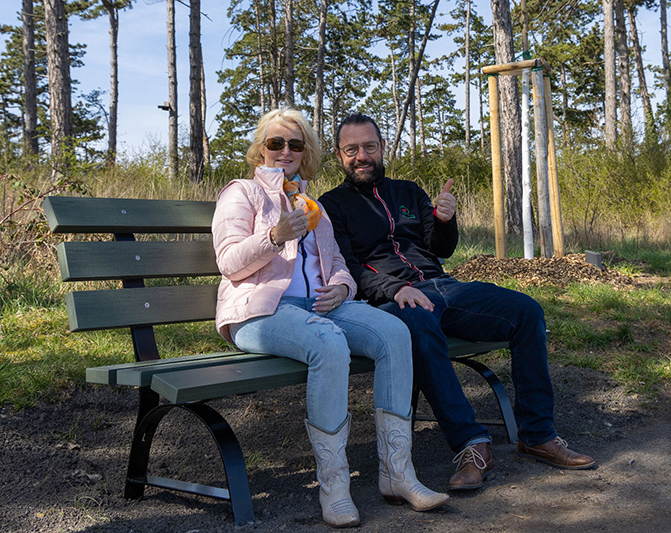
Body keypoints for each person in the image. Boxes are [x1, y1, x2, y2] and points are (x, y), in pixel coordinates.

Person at [318, 113, 596, 493]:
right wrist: (394, 289)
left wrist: (444, 220)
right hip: (391, 300)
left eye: (369, 147)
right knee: (417, 325)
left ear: (382, 148)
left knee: (526, 311)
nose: (361, 156)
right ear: (338, 155)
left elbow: (441, 248)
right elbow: (347, 267)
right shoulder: (332, 206)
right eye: (352, 150)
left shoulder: (408, 192)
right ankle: (472, 445)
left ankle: (538, 435)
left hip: (444, 287)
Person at [212, 108, 448, 528]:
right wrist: (274, 236)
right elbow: (229, 262)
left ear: (307, 152)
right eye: (276, 143)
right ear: (261, 149)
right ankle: (334, 487)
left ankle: (398, 473)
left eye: (296, 144)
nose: (286, 151)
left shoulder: (312, 205)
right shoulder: (241, 193)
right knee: (329, 343)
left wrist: (341, 286)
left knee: (394, 332)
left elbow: (338, 263)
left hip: (320, 307)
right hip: (260, 312)